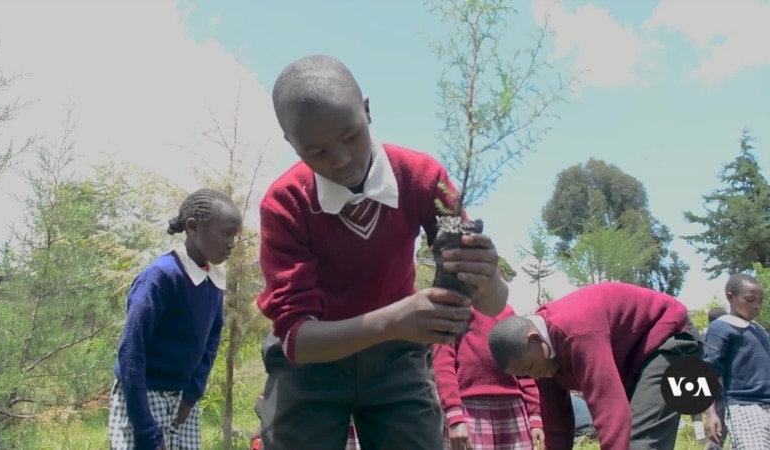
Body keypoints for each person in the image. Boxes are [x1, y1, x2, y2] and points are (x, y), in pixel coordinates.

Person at [256, 54, 508, 450]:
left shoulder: (424, 179)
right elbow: (296, 339)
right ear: (291, 144)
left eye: (350, 136)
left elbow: (492, 306)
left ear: (368, 110)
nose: (340, 160)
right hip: (310, 369)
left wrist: (487, 277)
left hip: (396, 364)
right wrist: (396, 319)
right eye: (317, 152)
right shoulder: (286, 203)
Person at [488, 282, 703, 450]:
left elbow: (610, 410)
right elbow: (557, 425)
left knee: (638, 444)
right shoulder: (542, 358)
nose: (535, 375)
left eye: (531, 367)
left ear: (534, 338)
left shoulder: (577, 332)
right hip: (635, 362)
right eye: (526, 374)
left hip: (670, 341)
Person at [108, 189, 242, 450]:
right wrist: (145, 429)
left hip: (182, 400)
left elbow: (211, 341)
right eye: (225, 234)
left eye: (234, 236)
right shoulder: (162, 277)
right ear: (193, 227)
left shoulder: (213, 278)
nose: (231, 243)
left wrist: (192, 394)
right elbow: (131, 352)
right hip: (142, 396)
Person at [433, 305, 543, 450]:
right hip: (469, 411)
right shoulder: (450, 312)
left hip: (511, 409)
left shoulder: (506, 311)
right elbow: (443, 367)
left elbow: (525, 371)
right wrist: (455, 418)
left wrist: (535, 418)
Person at [704, 274, 770, 450]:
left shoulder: (759, 330)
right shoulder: (721, 327)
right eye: (750, 300)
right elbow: (709, 372)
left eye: (760, 301)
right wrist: (711, 414)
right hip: (745, 405)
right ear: (730, 297)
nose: (756, 306)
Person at [703, 306, 728, 450]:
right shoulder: (717, 337)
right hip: (721, 392)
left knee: (717, 434)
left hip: (715, 393)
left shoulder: (704, 337)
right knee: (717, 434)